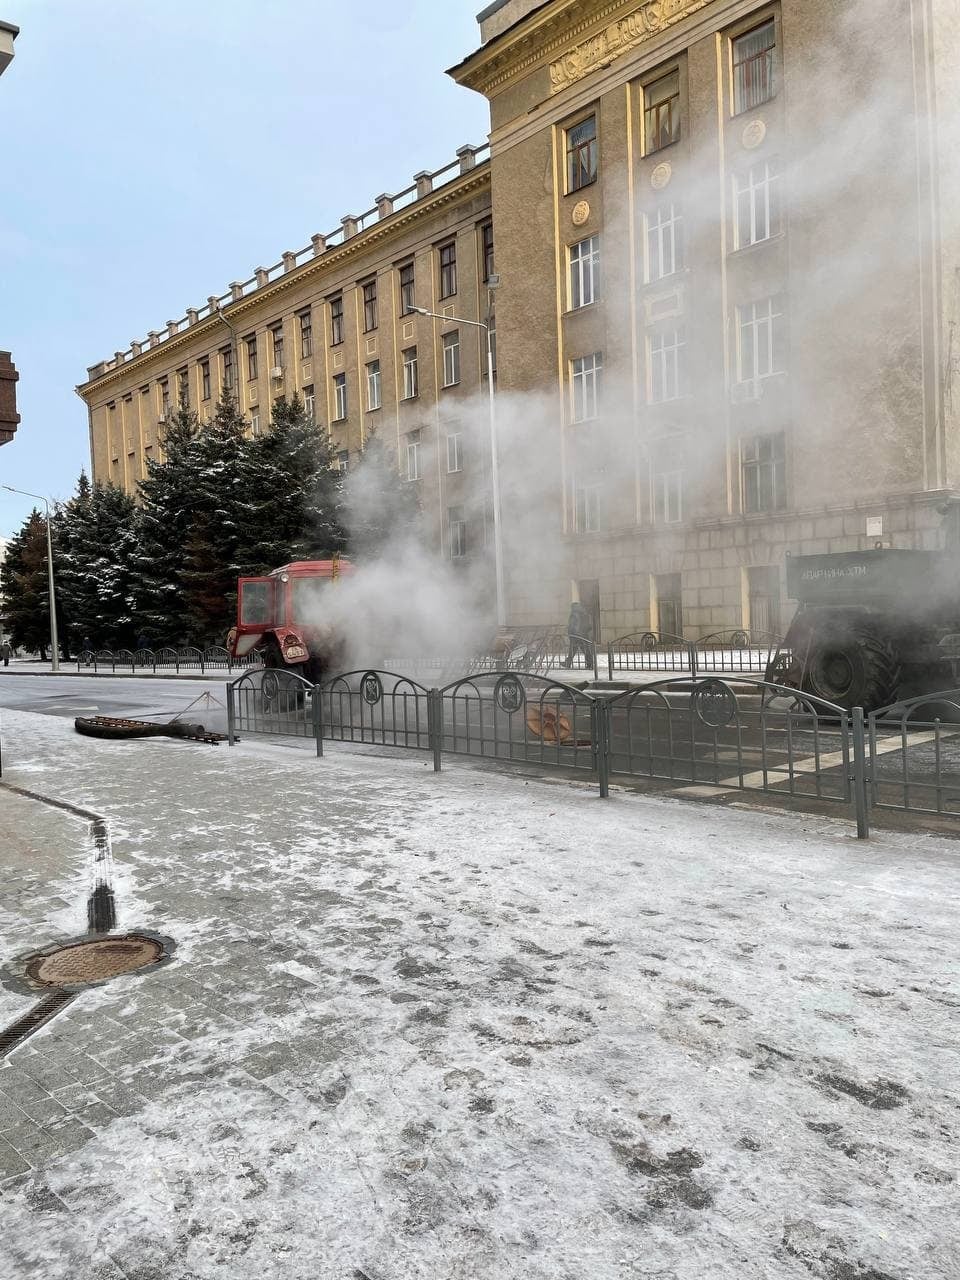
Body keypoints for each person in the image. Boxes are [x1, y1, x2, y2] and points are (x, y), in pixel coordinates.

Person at [565, 601, 594, 669]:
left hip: (576, 634)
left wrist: (571, 632)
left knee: (574, 649)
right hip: (583, 634)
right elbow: (588, 625)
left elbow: (573, 625)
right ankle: (590, 663)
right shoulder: (584, 613)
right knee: (582, 649)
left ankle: (568, 663)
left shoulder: (574, 614)